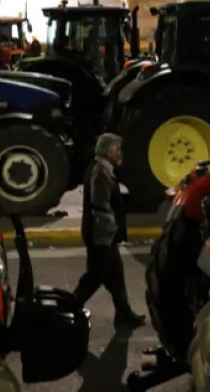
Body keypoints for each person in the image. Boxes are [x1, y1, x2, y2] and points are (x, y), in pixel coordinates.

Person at [73, 133, 146, 327]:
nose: (120, 153)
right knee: (96, 276)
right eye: (117, 149)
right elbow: (100, 205)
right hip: (101, 236)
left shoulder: (104, 169)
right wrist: (111, 229)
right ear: (107, 151)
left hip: (104, 235)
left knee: (115, 275)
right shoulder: (101, 171)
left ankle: (124, 314)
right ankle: (71, 305)